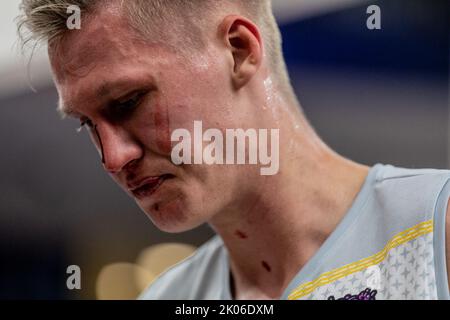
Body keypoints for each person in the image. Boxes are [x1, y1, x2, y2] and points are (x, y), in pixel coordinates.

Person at [17, 0, 450, 300]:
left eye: (129, 101)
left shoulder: (434, 231)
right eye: (87, 125)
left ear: (239, 50)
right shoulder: (171, 295)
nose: (113, 158)